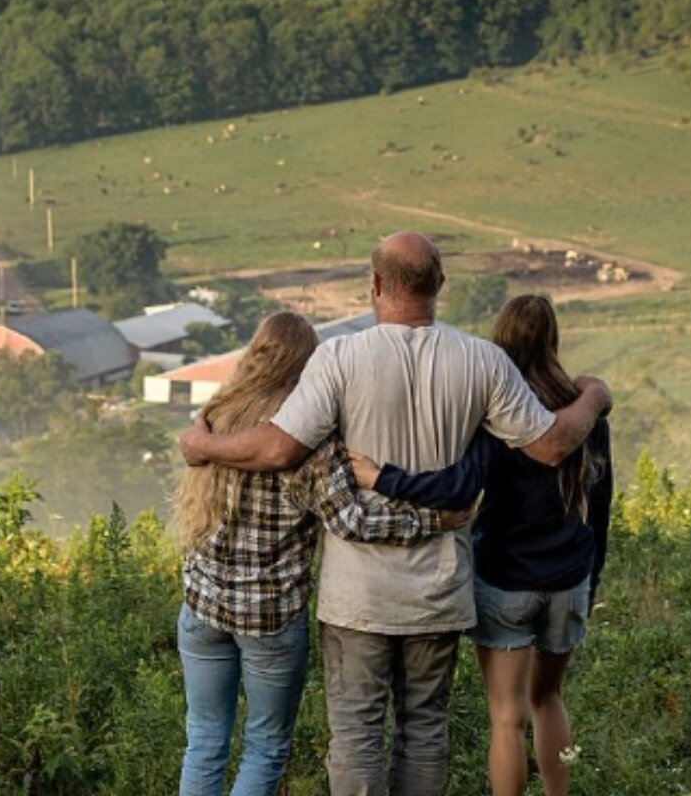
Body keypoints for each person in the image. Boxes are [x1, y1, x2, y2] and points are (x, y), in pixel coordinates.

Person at [180, 232, 612, 796]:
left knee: (357, 731)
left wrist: (203, 446)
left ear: (376, 285)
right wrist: (592, 399)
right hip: (438, 591)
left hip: (358, 594)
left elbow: (279, 448)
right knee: (424, 729)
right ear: (439, 286)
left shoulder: (339, 358)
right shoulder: (483, 361)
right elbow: (552, 446)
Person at [174, 311, 470, 796]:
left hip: (201, 607)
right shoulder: (307, 440)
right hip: (269, 615)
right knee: (265, 745)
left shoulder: (214, 418)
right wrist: (432, 519)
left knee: (204, 739)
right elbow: (352, 520)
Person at [350, 294, 612, 796]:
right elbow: (600, 510)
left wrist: (383, 477)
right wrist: (590, 579)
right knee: (549, 698)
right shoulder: (586, 416)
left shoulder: (496, 413)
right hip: (568, 578)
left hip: (506, 578)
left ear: (501, 341)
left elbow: (456, 487)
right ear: (553, 339)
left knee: (506, 718)